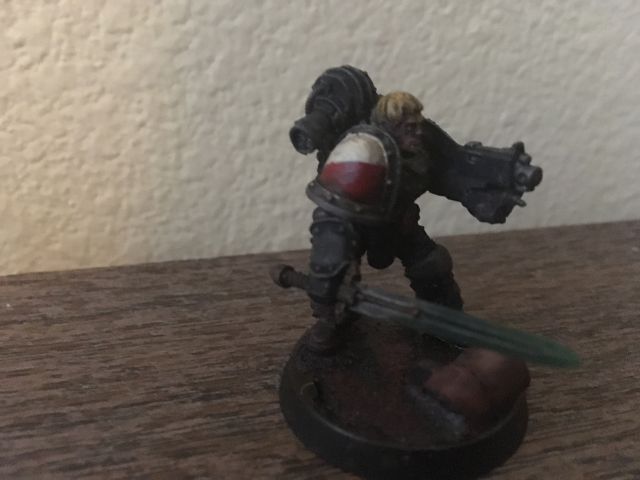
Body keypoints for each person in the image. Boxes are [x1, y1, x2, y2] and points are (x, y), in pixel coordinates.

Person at [306, 91, 464, 352]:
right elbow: (334, 207)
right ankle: (331, 320)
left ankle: (443, 321)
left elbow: (441, 178)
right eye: (409, 128)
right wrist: (331, 263)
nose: (417, 134)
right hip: (350, 222)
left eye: (418, 126)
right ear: (390, 126)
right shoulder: (361, 150)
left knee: (432, 265)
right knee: (332, 268)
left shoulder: (418, 155)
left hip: (396, 221)